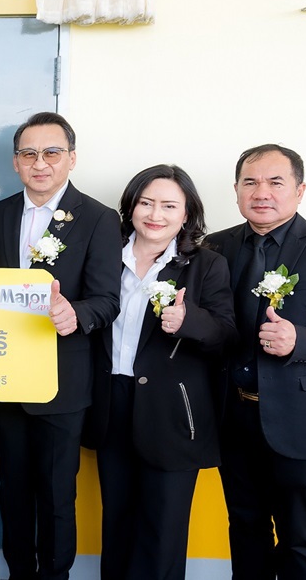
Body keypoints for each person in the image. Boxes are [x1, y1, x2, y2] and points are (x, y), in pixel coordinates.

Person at [0, 111, 121, 580]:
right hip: (6, 377)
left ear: (71, 159)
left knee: (58, 493)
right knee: (13, 489)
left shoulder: (99, 218)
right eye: (28, 153)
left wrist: (73, 314)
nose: (39, 163)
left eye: (51, 153)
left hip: (64, 380)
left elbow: (107, 300)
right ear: (16, 162)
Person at [82, 164, 235, 580]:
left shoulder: (207, 265)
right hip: (111, 402)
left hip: (173, 411)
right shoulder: (103, 256)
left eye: (169, 206)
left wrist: (189, 321)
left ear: (186, 214)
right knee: (117, 521)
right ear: (130, 207)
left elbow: (225, 334)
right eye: (146, 203)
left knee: (163, 529)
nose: (155, 214)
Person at [207, 144, 306, 580]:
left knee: (301, 534)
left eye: (275, 182)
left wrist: (300, 340)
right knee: (245, 528)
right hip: (232, 414)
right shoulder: (214, 247)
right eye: (250, 182)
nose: (261, 192)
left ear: (300, 190)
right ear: (236, 189)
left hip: (303, 418)